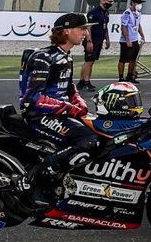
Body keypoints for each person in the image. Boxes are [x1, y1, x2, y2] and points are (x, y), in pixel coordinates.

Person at [19, 13, 97, 208]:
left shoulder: (66, 56)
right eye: (82, 29)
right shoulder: (44, 58)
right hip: (39, 115)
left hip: (57, 113)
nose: (86, 33)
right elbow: (33, 99)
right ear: (67, 31)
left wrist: (79, 102)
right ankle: (33, 181)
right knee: (88, 139)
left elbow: (69, 88)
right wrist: (70, 109)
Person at [78, 0, 113, 91]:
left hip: (99, 39)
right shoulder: (94, 12)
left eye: (111, 2)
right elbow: (88, 27)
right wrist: (89, 41)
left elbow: (105, 26)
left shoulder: (106, 12)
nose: (110, 4)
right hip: (92, 39)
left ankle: (83, 81)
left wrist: (107, 39)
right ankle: (85, 81)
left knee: (92, 61)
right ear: (102, 0)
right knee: (89, 61)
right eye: (109, 1)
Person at [116, 0, 146, 83]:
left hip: (135, 39)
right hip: (126, 40)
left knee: (133, 59)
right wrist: (127, 40)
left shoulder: (138, 13)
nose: (139, 5)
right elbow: (123, 27)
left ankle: (130, 76)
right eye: (138, 3)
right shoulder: (127, 13)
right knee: (123, 59)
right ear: (133, 3)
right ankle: (121, 77)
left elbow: (138, 25)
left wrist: (142, 35)